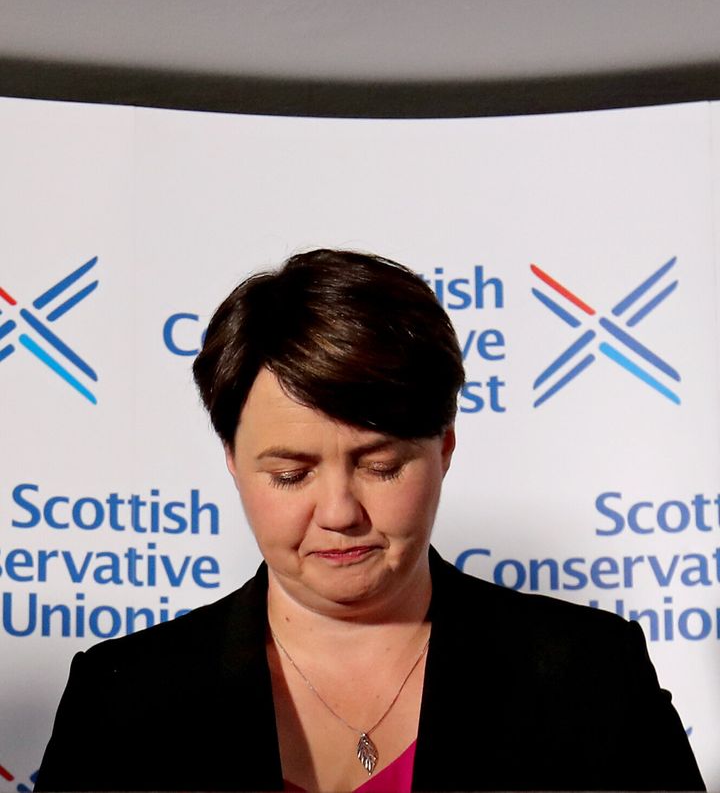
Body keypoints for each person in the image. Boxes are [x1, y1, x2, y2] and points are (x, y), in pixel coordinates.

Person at [35, 248, 704, 792]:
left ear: (443, 446)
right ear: (233, 461)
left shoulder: (592, 677)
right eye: (290, 473)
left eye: (380, 465)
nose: (338, 513)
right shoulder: (122, 701)